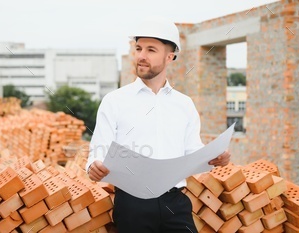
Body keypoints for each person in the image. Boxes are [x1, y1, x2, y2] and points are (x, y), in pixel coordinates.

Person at [86, 17, 230, 233]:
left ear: (170, 56)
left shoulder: (184, 104)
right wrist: (94, 166)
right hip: (133, 204)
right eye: (138, 48)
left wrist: (215, 157)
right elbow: (98, 150)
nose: (141, 56)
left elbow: (192, 150)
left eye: (151, 50)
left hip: (175, 203)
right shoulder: (114, 101)